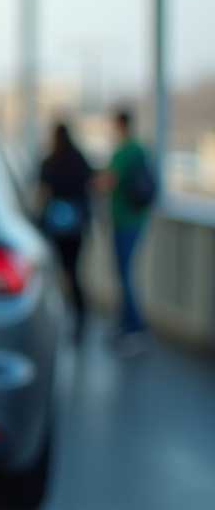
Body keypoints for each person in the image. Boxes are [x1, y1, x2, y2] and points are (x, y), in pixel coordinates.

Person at [98, 109, 153, 354]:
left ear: (119, 124)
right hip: (138, 219)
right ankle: (125, 323)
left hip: (124, 221)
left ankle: (136, 329)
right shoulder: (139, 149)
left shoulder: (122, 151)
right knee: (124, 273)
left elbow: (108, 181)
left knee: (123, 274)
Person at [38, 122, 94, 343]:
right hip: (76, 227)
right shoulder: (79, 159)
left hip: (55, 227)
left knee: (58, 273)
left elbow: (42, 193)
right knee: (74, 271)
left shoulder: (49, 162)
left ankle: (58, 318)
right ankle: (81, 321)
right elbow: (90, 186)